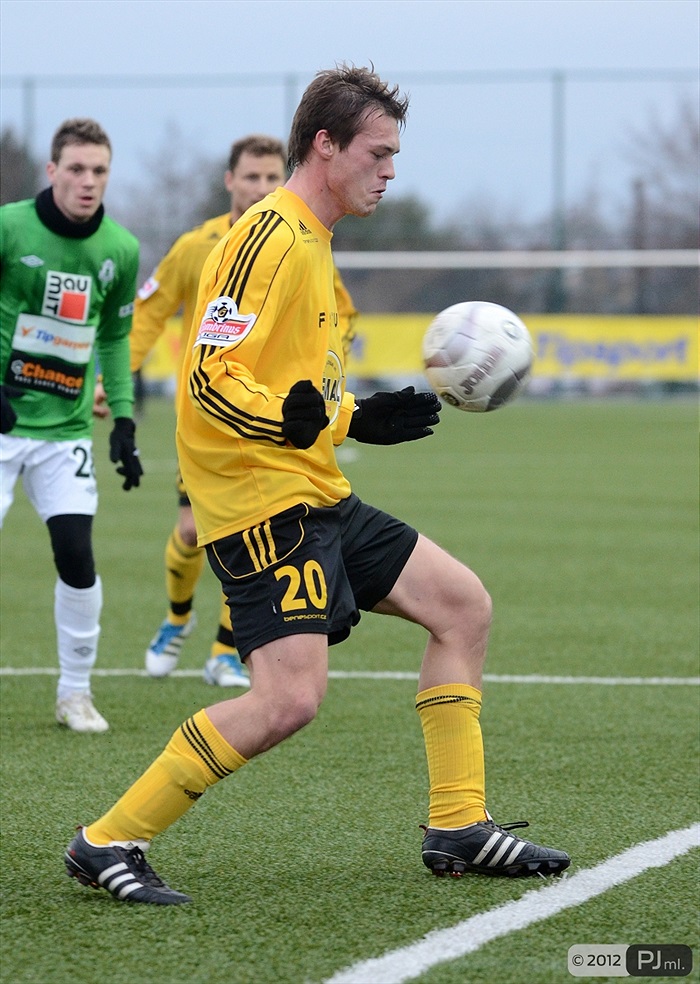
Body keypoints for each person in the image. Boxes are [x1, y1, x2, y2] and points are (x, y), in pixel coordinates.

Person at [64, 65, 569, 903]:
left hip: (315, 490)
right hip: (261, 504)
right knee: (288, 699)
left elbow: (296, 393)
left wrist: (353, 418)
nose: (391, 170)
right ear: (325, 145)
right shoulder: (266, 235)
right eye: (378, 153)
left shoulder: (315, 244)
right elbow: (212, 378)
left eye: (395, 155)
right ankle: (108, 839)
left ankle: (459, 824)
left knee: (462, 606)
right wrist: (292, 421)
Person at [127, 134, 358, 688]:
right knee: (190, 532)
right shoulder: (198, 246)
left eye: (271, 177)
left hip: (276, 424)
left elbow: (341, 315)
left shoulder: (301, 236)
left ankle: (225, 650)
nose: (261, 186)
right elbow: (150, 311)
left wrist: (330, 377)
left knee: (265, 537)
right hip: (213, 421)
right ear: (230, 181)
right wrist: (117, 375)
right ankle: (177, 618)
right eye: (250, 177)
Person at [0, 118, 143, 734]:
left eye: (99, 170)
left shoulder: (121, 249)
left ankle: (75, 693)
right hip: (3, 422)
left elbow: (114, 337)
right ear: (52, 170)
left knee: (77, 553)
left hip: (64, 433)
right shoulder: (9, 227)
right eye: (77, 169)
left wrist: (125, 421)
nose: (88, 181)